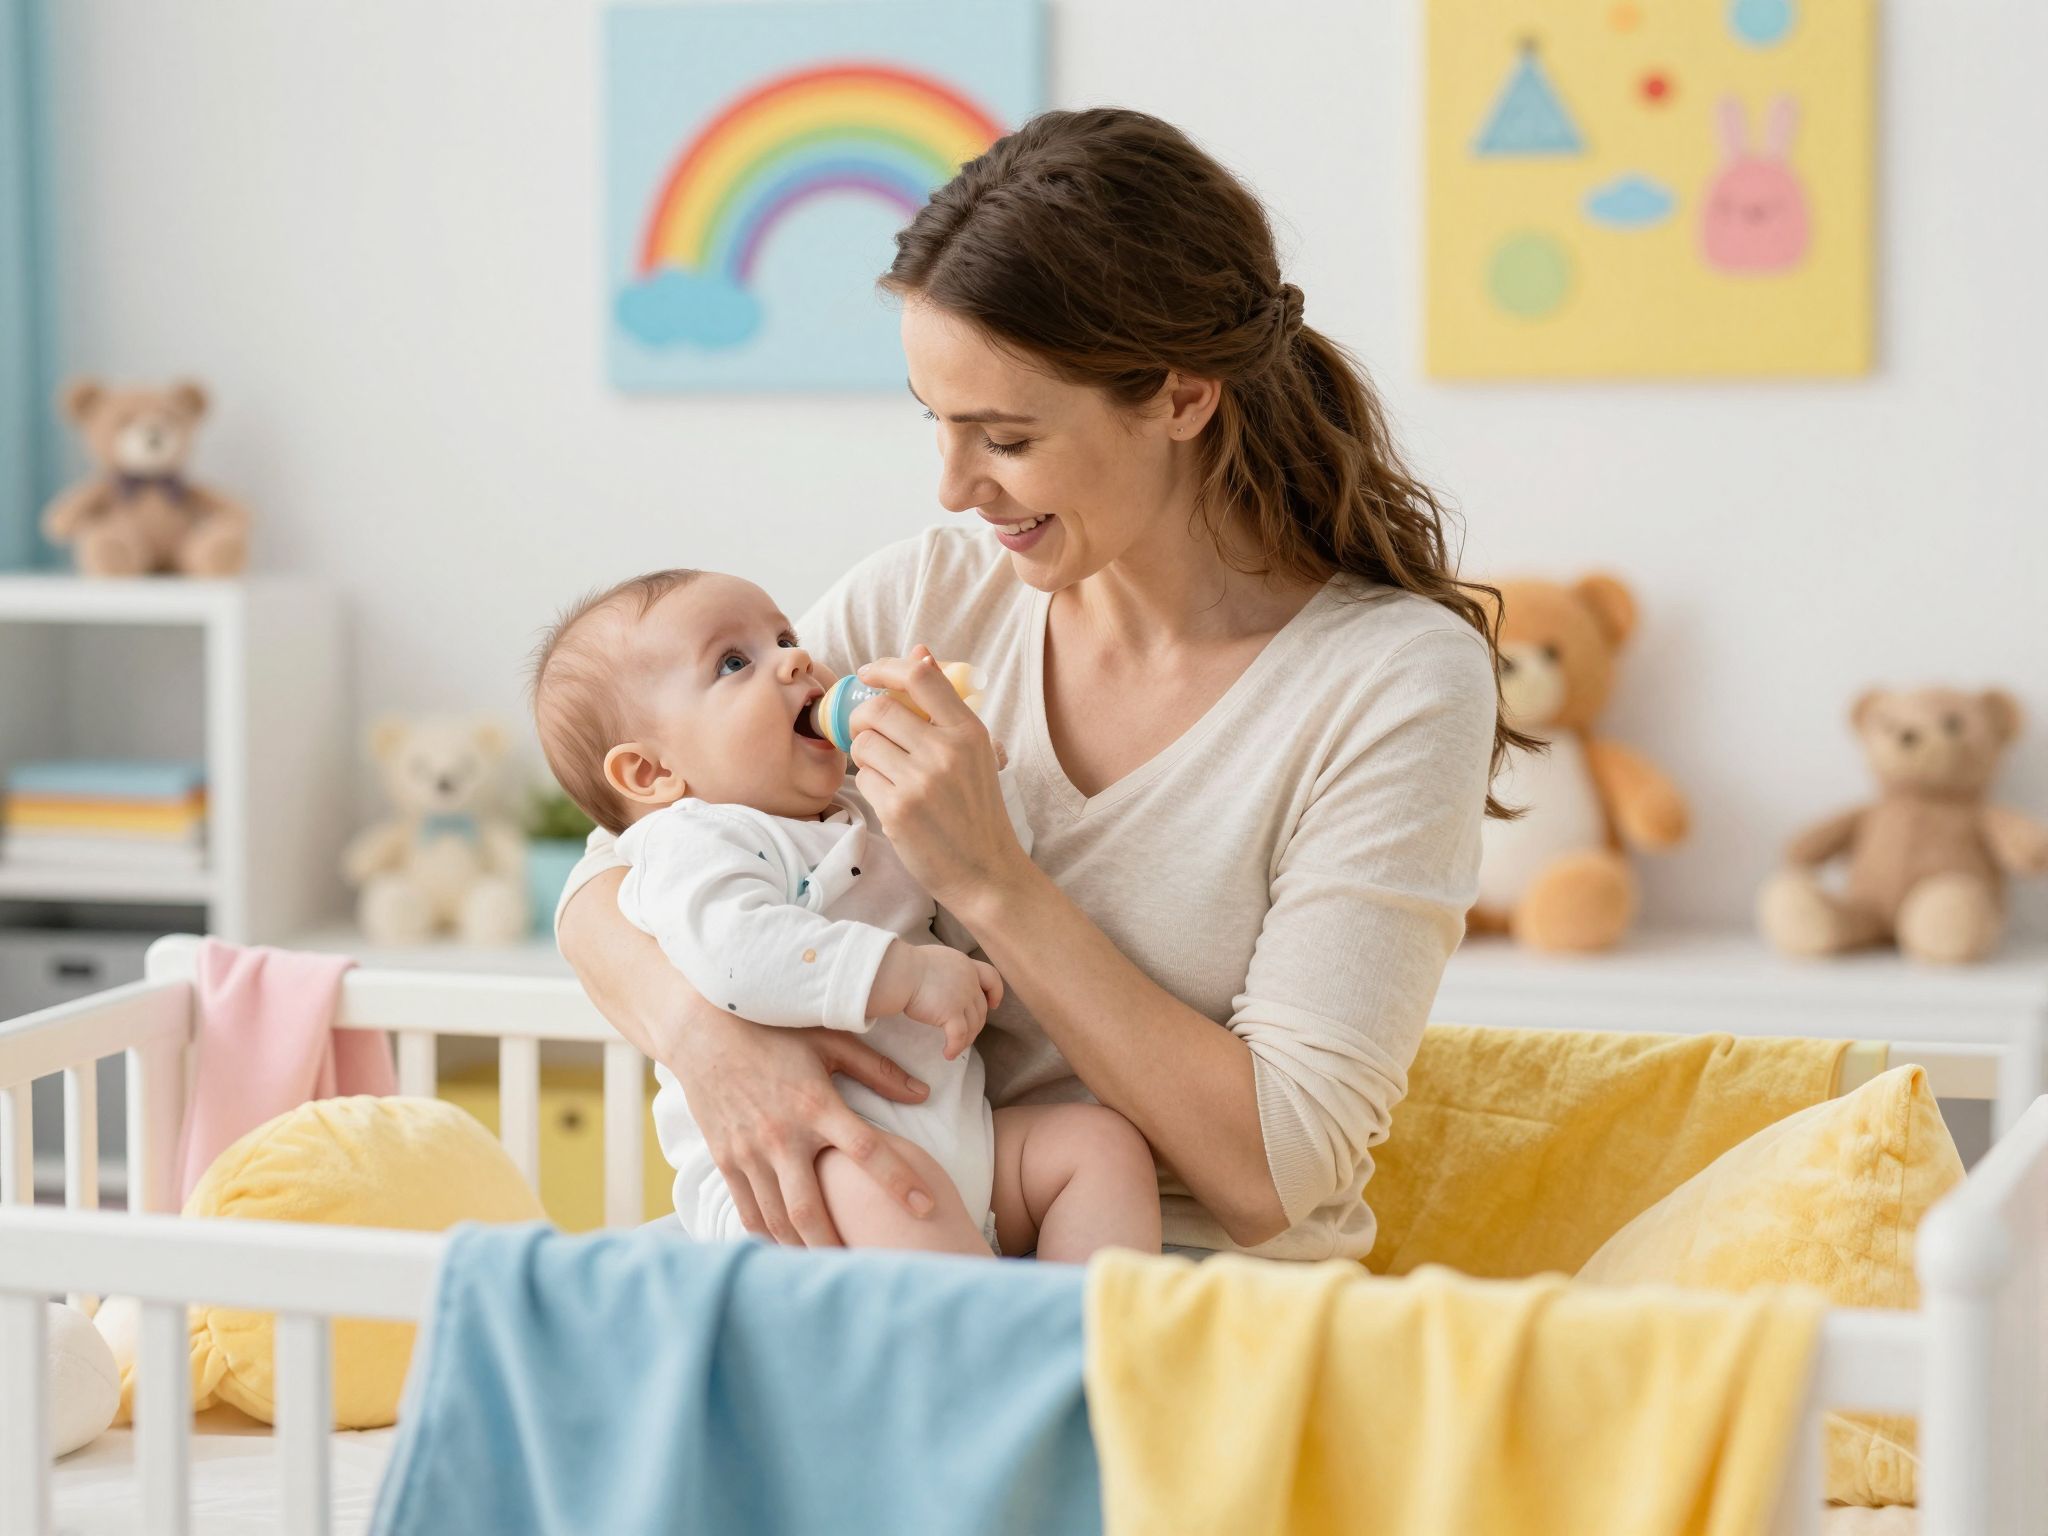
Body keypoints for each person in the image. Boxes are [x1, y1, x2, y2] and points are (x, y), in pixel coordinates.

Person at [558, 107, 1520, 1261]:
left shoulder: (1388, 683)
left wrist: (996, 883)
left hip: (1181, 1300)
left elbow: (1279, 1169)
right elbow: (619, 871)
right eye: (936, 423)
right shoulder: (920, 602)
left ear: (1178, 396)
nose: (955, 488)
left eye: (1003, 439)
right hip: (879, 1250)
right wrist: (708, 1044)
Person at [529, 566, 1162, 1261]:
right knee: (888, 1194)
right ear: (651, 774)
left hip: (957, 1149)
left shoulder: (861, 808)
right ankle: (992, 1353)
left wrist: (982, 793)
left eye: (784, 637)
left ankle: (1081, 1350)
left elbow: (970, 888)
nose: (795, 658)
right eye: (734, 663)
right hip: (814, 1176)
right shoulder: (692, 839)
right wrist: (906, 976)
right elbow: (737, 954)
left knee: (1097, 1147)